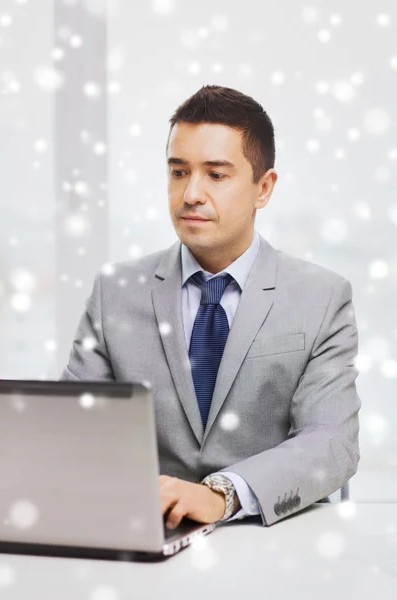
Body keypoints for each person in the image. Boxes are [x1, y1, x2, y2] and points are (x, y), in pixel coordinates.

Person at [61, 85, 361, 530]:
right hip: (144, 538)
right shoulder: (115, 293)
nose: (191, 194)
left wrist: (222, 494)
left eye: (216, 175)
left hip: (271, 544)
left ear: (264, 187)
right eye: (179, 172)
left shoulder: (321, 297)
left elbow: (331, 442)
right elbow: (70, 432)